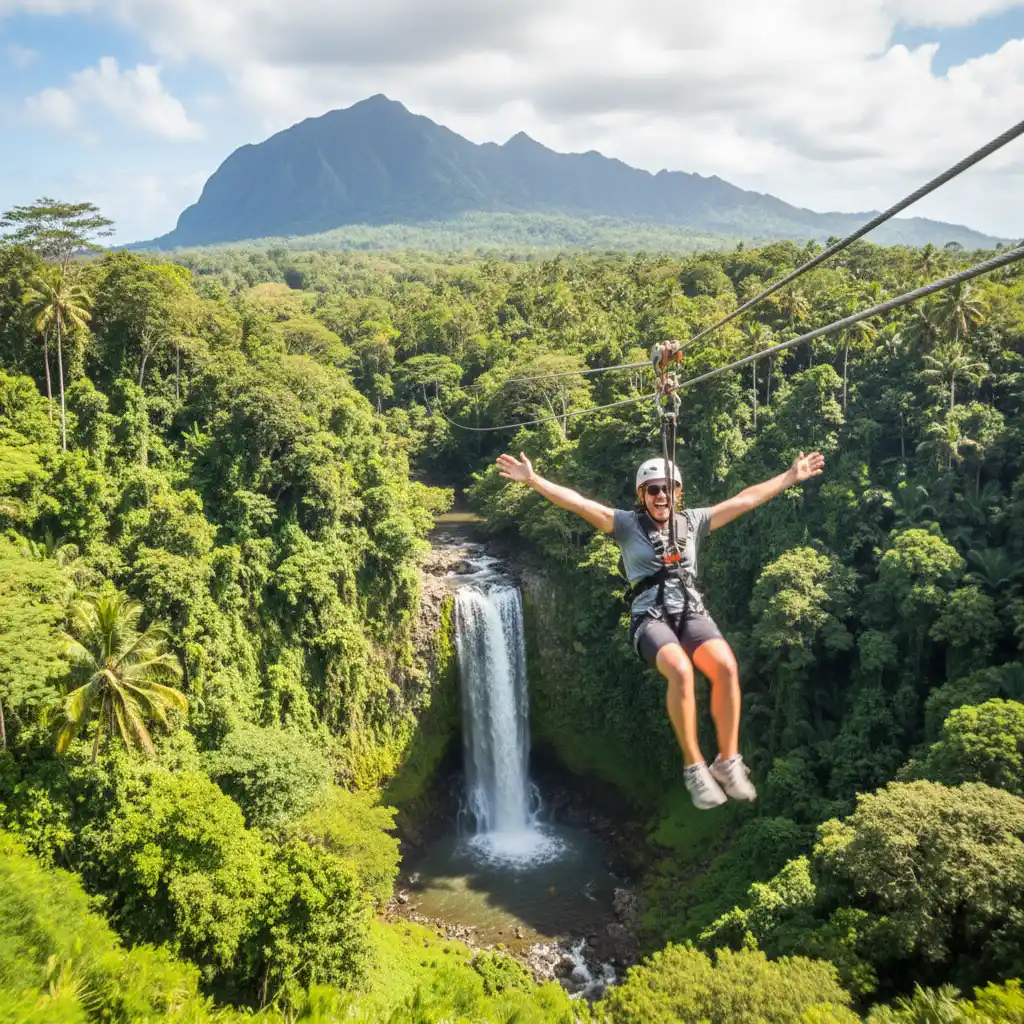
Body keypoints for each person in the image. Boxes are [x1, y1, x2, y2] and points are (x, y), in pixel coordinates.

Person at [496, 449, 825, 809]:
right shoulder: (625, 525)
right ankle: (694, 767)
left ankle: (728, 762)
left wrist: (790, 476)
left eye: (667, 488)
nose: (661, 496)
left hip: (691, 612)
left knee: (727, 668)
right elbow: (578, 503)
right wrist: (533, 480)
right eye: (652, 490)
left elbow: (744, 499)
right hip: (650, 617)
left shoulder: (694, 521)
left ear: (678, 493)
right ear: (643, 496)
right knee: (681, 672)